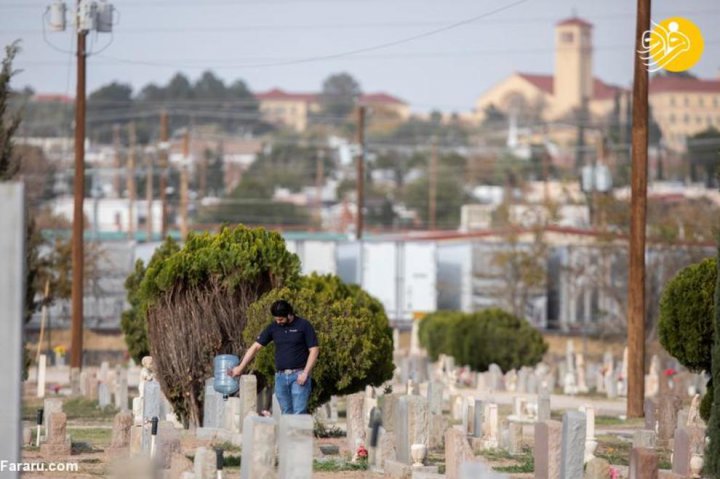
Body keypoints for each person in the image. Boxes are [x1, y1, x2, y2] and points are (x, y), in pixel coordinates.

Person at [229, 300, 319, 414]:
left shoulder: (304, 325)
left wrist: (306, 373)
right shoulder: (273, 328)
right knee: (286, 412)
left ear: (289, 314)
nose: (278, 321)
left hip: (299, 376)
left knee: (299, 413)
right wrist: (240, 367)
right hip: (280, 377)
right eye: (276, 319)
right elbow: (255, 347)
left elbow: (314, 350)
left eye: (280, 319)